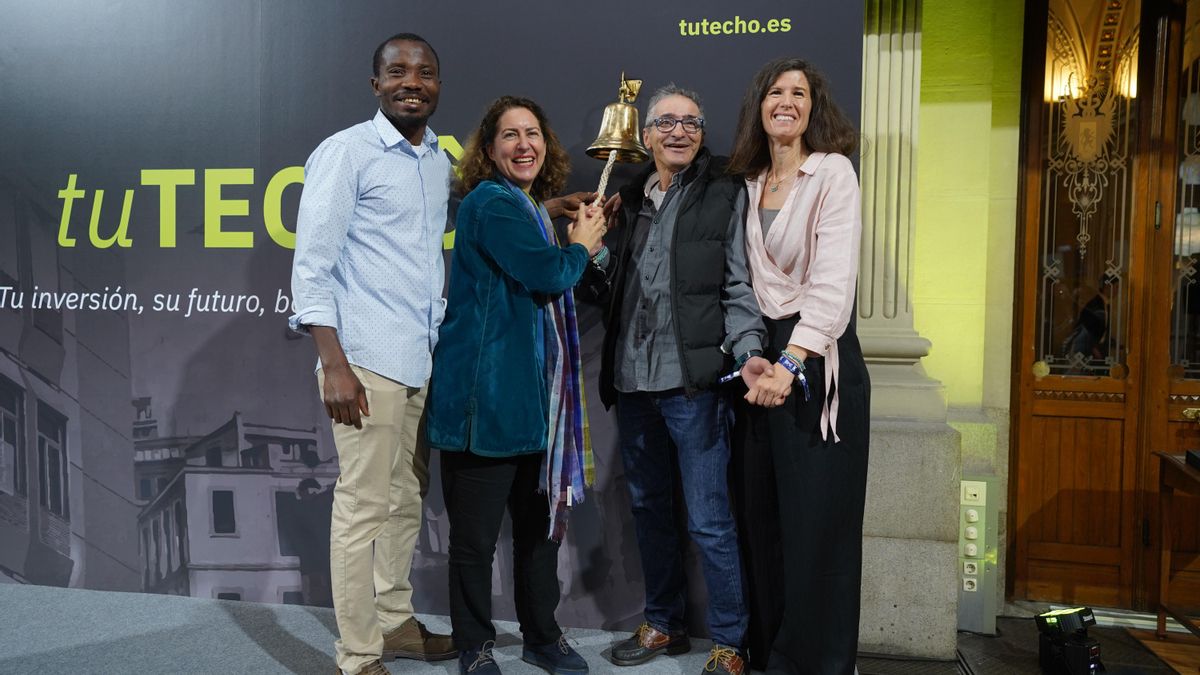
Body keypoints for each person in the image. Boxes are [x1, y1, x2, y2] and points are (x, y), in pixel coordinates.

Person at [581, 85, 767, 675]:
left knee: (710, 519)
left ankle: (731, 643)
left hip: (695, 388)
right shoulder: (629, 198)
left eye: (691, 122)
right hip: (633, 383)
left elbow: (739, 287)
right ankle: (663, 624)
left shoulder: (725, 193)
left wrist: (750, 351)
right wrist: (593, 254)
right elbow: (609, 291)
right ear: (646, 135)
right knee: (649, 510)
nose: (679, 132)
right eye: (666, 122)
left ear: (703, 134)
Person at [425, 95, 606, 675]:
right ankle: (475, 647)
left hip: (533, 407)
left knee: (538, 536)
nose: (523, 144)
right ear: (489, 149)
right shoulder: (490, 202)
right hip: (485, 407)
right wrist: (583, 243)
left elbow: (527, 235)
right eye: (509, 135)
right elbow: (548, 274)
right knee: (474, 545)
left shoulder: (521, 204)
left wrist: (552, 212)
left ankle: (542, 638)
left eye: (532, 133)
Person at [729, 57, 872, 674]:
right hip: (763, 364)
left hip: (819, 361)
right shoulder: (747, 181)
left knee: (818, 528)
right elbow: (746, 284)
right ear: (759, 105)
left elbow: (832, 286)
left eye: (800, 93)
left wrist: (792, 362)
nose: (786, 101)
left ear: (815, 108)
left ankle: (818, 663)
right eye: (775, 91)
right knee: (765, 520)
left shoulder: (833, 173)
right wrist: (755, 357)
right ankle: (772, 655)